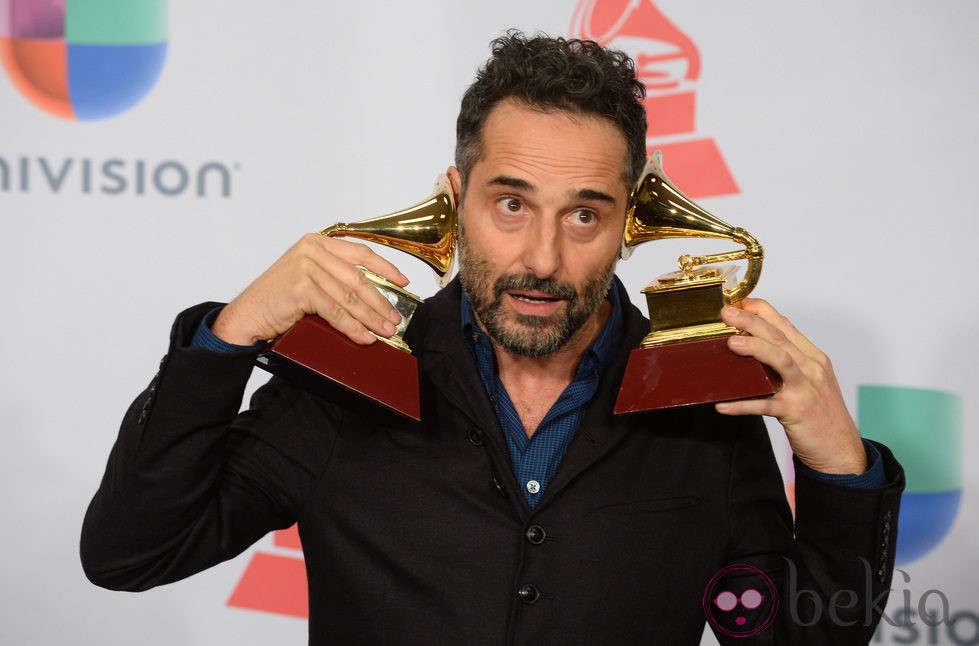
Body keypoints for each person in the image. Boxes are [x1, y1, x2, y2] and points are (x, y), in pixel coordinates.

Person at [82, 32, 904, 645]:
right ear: (455, 197)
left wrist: (838, 465)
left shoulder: (697, 403)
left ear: (632, 219)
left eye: (584, 213)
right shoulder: (348, 380)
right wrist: (226, 341)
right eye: (510, 204)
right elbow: (131, 552)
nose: (542, 259)